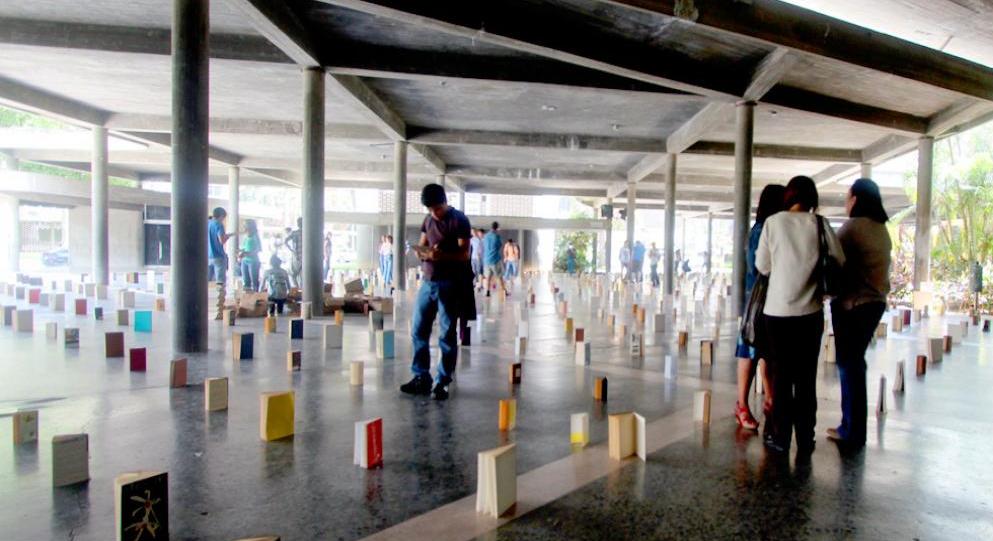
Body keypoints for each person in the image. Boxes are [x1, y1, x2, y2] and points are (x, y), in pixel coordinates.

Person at [755, 176, 844, 454]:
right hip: (810, 313)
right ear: (812, 198)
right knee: (806, 378)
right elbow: (839, 259)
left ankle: (780, 437)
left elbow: (763, 265)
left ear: (789, 196)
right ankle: (806, 439)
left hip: (777, 313)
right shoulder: (819, 224)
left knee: (781, 377)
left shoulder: (773, 223)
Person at [827, 178, 891, 449]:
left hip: (853, 304)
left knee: (848, 365)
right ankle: (853, 427)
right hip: (875, 303)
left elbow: (833, 259)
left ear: (856, 199)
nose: (845, 201)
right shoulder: (881, 229)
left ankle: (851, 429)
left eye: (847, 196)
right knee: (856, 363)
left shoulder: (853, 228)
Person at [400, 184, 472, 401]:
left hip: (450, 283)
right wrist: (424, 254)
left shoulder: (459, 220)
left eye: (436, 208)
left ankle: (443, 381)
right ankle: (421, 376)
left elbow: (464, 254)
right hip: (428, 281)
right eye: (429, 209)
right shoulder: (428, 220)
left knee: (447, 334)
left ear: (444, 202)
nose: (433, 213)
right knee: (418, 329)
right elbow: (423, 246)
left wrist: (442, 256)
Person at [734, 184, 786, 431]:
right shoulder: (762, 230)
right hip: (757, 301)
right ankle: (742, 405)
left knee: (766, 351)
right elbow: (759, 268)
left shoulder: (770, 228)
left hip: (768, 300)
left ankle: (769, 397)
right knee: (751, 351)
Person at [207, 207, 232, 285]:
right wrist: (228, 236)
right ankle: (220, 297)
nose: (223, 219)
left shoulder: (208, 223)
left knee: (207, 281)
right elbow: (222, 240)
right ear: (221, 216)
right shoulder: (219, 225)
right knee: (220, 283)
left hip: (208, 256)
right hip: (218, 255)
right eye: (224, 217)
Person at [483, 222, 507, 297]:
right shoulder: (496, 236)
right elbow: (499, 246)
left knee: (488, 278)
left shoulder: (486, 236)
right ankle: (504, 291)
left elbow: (484, 245)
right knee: (499, 276)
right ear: (497, 228)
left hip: (486, 260)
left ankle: (487, 291)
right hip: (495, 260)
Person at [239, 219, 262, 292]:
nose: (244, 226)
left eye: (245, 224)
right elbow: (244, 247)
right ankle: (247, 298)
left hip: (253, 261)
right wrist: (241, 252)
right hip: (244, 260)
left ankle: (256, 297)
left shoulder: (255, 236)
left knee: (254, 281)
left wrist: (247, 253)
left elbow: (259, 249)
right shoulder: (245, 235)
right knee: (246, 282)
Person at [285, 218, 302, 288]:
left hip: (296, 257)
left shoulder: (294, 233)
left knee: (293, 274)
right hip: (306, 258)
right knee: (303, 277)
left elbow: (285, 241)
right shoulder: (309, 233)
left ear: (298, 224)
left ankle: (297, 288)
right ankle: (302, 289)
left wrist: (291, 249)